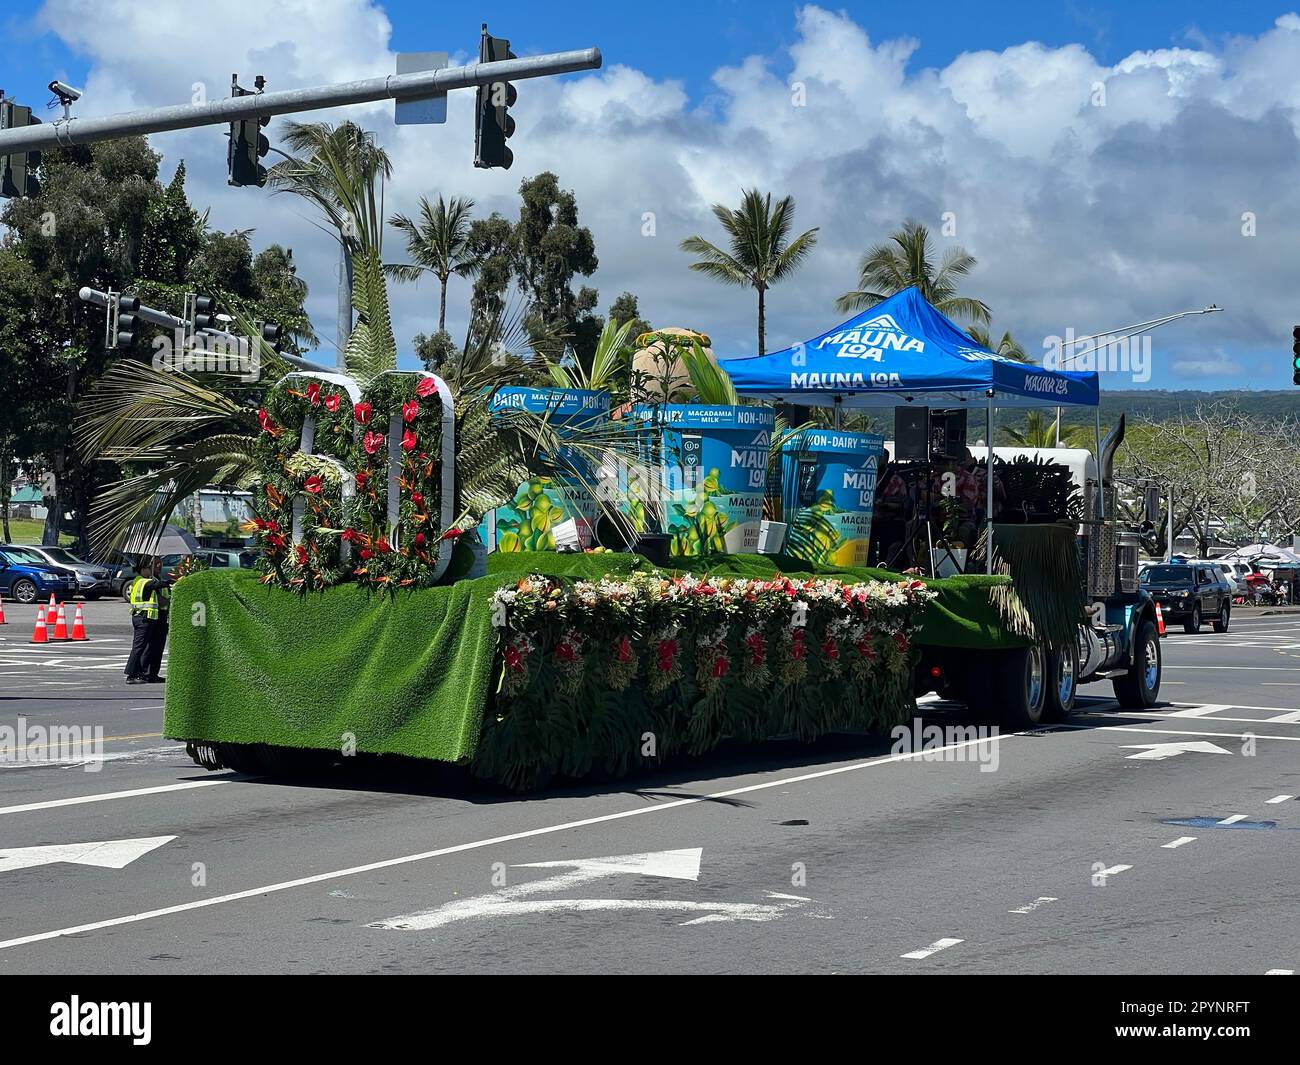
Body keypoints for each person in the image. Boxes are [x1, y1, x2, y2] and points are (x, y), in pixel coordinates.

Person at [124, 560, 171, 685]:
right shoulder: (141, 581)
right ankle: (131, 674)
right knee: (138, 647)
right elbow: (156, 585)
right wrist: (170, 582)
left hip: (150, 618)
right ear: (143, 569)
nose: (151, 569)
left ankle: (151, 674)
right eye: (149, 568)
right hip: (142, 618)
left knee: (150, 647)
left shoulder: (148, 580)